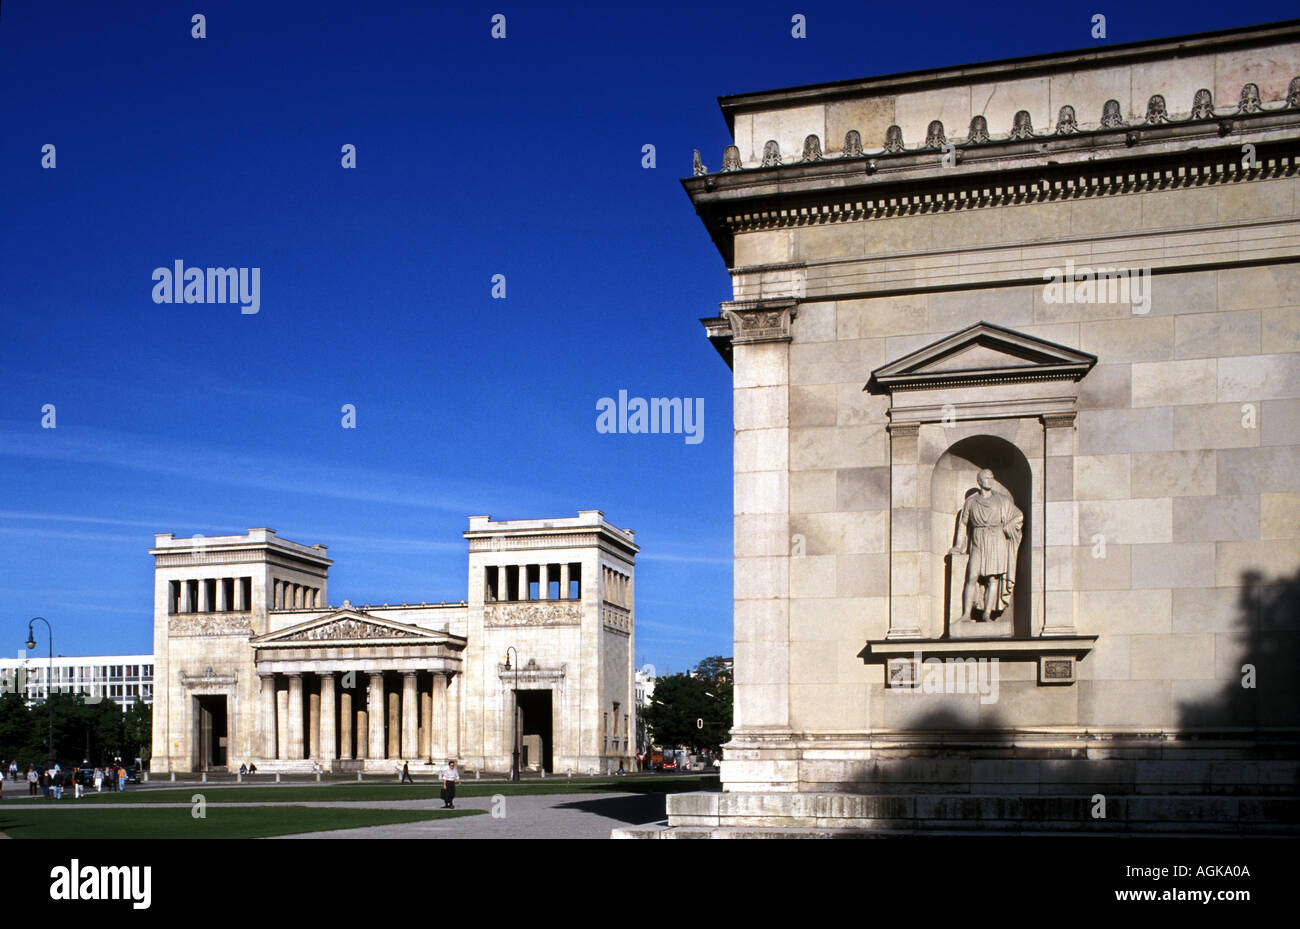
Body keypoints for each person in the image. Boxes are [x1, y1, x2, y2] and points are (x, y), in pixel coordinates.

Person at [950, 468, 1023, 623]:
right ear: (979, 481)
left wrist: (1006, 528)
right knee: (972, 576)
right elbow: (963, 524)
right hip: (978, 540)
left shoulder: (1001, 500)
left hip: (996, 540)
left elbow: (1018, 516)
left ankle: (986, 615)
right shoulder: (971, 502)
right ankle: (966, 614)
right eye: (986, 478)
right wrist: (958, 546)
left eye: (991, 477)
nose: (990, 480)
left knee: (992, 579)